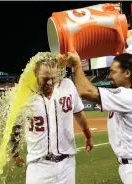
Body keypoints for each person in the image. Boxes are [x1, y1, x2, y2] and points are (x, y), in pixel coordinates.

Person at [64, 52, 132, 184]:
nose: (110, 76)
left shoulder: (129, 96)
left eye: (113, 72)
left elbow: (84, 91)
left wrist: (77, 65)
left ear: (127, 73)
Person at [10, 52, 93, 184]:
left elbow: (78, 113)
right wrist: (14, 152)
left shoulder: (67, 86)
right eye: (45, 78)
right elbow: (15, 126)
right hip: (39, 166)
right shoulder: (24, 94)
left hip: (67, 164)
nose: (49, 82)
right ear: (35, 72)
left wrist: (88, 136)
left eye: (53, 78)